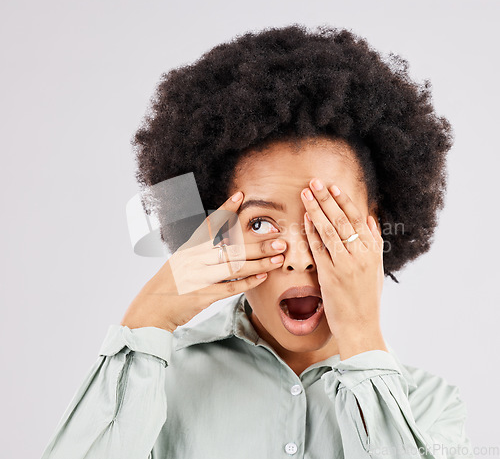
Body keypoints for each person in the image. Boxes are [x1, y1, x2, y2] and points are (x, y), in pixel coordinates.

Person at [41, 24, 474, 459]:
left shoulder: (430, 407)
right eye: (262, 224)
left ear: (376, 229)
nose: (300, 259)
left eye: (328, 222)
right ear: (215, 234)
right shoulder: (158, 381)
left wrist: (362, 336)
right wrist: (150, 315)